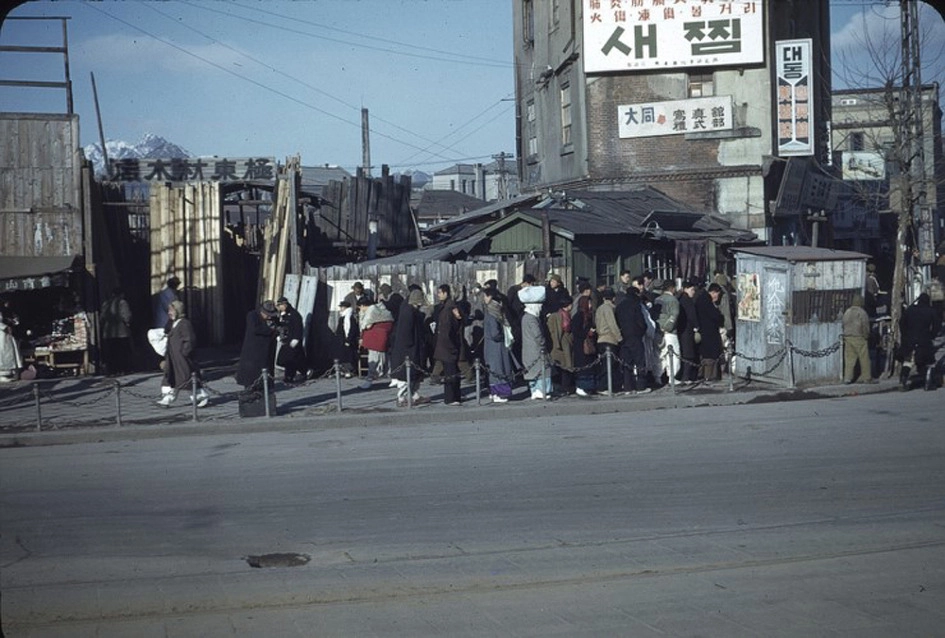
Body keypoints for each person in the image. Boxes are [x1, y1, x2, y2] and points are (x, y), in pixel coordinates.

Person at [157, 300, 209, 407]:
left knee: (187, 379)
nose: (169, 313)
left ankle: (201, 397)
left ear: (178, 310)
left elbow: (190, 340)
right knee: (170, 377)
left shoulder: (184, 323)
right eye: (169, 310)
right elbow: (166, 332)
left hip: (182, 359)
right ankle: (167, 398)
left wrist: (184, 352)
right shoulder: (173, 323)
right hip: (172, 358)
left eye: (172, 310)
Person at [389, 289, 430, 406]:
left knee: (412, 377)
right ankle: (401, 398)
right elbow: (406, 334)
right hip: (408, 350)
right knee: (406, 378)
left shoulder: (408, 309)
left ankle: (414, 395)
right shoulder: (409, 313)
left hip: (408, 349)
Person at [898, 293, 941, 390]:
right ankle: (928, 382)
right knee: (928, 362)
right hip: (924, 340)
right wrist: (932, 335)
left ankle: (903, 380)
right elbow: (937, 325)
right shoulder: (930, 311)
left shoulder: (910, 310)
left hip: (909, 340)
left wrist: (905, 335)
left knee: (908, 361)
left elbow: (901, 323)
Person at [235, 300, 279, 390]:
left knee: (266, 371)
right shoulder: (253, 316)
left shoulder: (272, 319)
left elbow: (277, 327)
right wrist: (271, 330)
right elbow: (256, 329)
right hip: (253, 351)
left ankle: (265, 387)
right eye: (267, 314)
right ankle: (250, 389)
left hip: (267, 351)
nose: (269, 317)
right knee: (251, 375)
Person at [481, 286, 514, 403]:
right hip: (496, 346)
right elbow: (495, 333)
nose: (484, 298)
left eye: (485, 296)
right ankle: (499, 393)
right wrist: (503, 335)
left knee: (495, 368)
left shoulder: (490, 311)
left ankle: (494, 392)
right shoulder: (493, 313)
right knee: (499, 369)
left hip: (491, 346)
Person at [614, 284, 649, 394]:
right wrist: (642, 331)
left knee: (626, 363)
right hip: (635, 336)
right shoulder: (636, 305)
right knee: (639, 362)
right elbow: (641, 322)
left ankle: (628, 387)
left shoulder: (620, 306)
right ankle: (641, 386)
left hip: (624, 337)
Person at [433, 284, 464, 405]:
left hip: (448, 345)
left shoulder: (449, 308)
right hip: (446, 345)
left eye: (440, 292)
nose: (438, 295)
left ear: (446, 293)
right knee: (450, 371)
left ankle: (452, 397)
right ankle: (453, 397)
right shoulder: (445, 307)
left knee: (451, 372)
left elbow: (448, 328)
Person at [520, 285, 551, 399]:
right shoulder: (532, 319)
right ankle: (542, 390)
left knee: (533, 372)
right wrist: (543, 343)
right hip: (536, 350)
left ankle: (535, 390)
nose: (541, 307)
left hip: (529, 349)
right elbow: (538, 335)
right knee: (542, 370)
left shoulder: (526, 317)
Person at [357, 297, 394, 387]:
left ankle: (370, 379)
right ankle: (392, 377)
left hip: (374, 338)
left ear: (363, 305)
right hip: (382, 336)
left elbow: (366, 325)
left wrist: (361, 315)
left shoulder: (371, 310)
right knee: (385, 358)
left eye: (360, 307)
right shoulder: (381, 310)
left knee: (373, 359)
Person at [594, 288, 622, 394]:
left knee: (604, 364)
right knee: (609, 365)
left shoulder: (599, 308)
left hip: (600, 338)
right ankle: (604, 386)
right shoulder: (609, 308)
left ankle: (605, 386)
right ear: (613, 298)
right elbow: (612, 325)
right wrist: (619, 338)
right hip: (609, 339)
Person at [100, 287, 133, 375]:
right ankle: (123, 369)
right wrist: (127, 322)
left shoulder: (106, 303)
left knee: (111, 352)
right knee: (122, 352)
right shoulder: (122, 303)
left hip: (108, 332)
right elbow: (126, 316)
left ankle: (112, 370)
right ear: (121, 294)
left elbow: (102, 318)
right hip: (121, 331)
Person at [696, 284, 725, 382]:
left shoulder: (701, 298)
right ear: (713, 292)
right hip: (709, 332)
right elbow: (715, 316)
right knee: (710, 355)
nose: (717, 297)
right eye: (717, 295)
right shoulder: (706, 301)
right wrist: (721, 317)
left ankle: (704, 374)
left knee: (705, 354)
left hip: (704, 330)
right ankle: (710, 375)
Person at [654, 279, 680, 386]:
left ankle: (658, 376)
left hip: (658, 331)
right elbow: (674, 316)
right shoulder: (673, 300)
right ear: (672, 288)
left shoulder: (657, 299)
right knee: (674, 355)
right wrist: (668, 327)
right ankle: (672, 377)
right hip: (669, 332)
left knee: (659, 355)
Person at [842, 293, 873, 384]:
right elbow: (865, 326)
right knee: (864, 358)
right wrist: (866, 335)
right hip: (859, 337)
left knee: (849, 359)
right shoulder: (862, 312)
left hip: (848, 337)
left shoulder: (847, 312)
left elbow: (843, 323)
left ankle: (847, 378)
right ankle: (866, 377)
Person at [547, 297, 574, 396]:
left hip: (566, 341)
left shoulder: (568, 315)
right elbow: (554, 330)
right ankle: (561, 386)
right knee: (561, 365)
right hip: (560, 342)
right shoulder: (556, 316)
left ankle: (565, 386)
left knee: (567, 364)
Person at [571, 295, 598, 396]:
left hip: (589, 345)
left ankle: (589, 387)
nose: (591, 305)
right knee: (582, 368)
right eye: (589, 303)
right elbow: (576, 332)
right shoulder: (578, 316)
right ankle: (581, 386)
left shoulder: (589, 316)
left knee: (589, 367)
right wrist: (588, 332)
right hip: (581, 346)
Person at [275, 296, 305, 384]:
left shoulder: (294, 314)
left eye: (281, 305)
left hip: (293, 340)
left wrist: (296, 338)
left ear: (285, 304)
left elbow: (298, 327)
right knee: (285, 360)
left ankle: (290, 376)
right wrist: (280, 335)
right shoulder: (283, 314)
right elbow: (282, 326)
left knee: (291, 360)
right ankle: (292, 374)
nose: (279, 307)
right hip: (286, 340)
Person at [677, 280, 701, 384]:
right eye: (692, 290)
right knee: (688, 353)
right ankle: (686, 377)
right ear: (686, 289)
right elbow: (692, 315)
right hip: (688, 330)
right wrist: (697, 326)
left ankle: (684, 376)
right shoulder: (688, 301)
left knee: (684, 353)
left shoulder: (680, 299)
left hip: (681, 330)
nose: (693, 292)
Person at [334, 300, 360, 378]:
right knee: (342, 356)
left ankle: (350, 370)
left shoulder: (350, 318)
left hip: (348, 341)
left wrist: (348, 340)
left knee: (349, 356)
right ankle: (343, 370)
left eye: (342, 307)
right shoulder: (342, 317)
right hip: (342, 340)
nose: (341, 309)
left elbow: (352, 330)